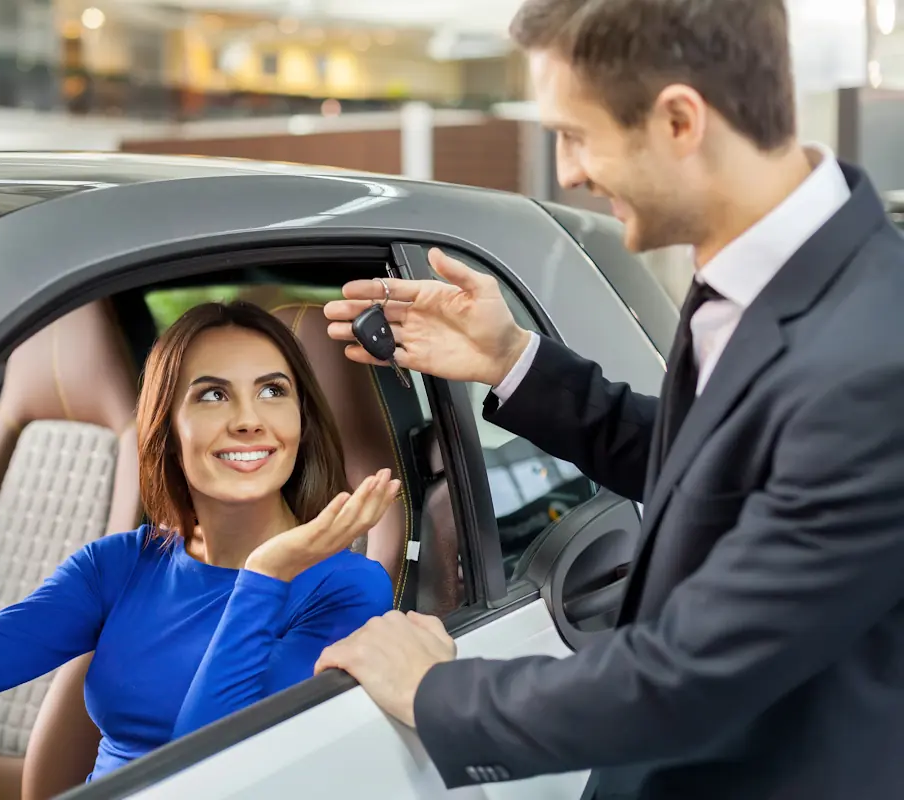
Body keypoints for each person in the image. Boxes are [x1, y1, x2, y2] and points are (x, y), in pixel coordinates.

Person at [316, 1, 904, 798]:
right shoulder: (760, 280)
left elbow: (690, 679)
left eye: (575, 133)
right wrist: (510, 360)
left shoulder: (876, 357)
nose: (567, 173)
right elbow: (712, 471)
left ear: (678, 121)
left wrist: (433, 690)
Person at [0, 301, 397, 782]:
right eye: (212, 395)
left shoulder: (346, 587)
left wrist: (264, 576)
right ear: (166, 426)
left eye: (273, 391)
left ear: (301, 420)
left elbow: (208, 769)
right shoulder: (123, 563)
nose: (249, 419)